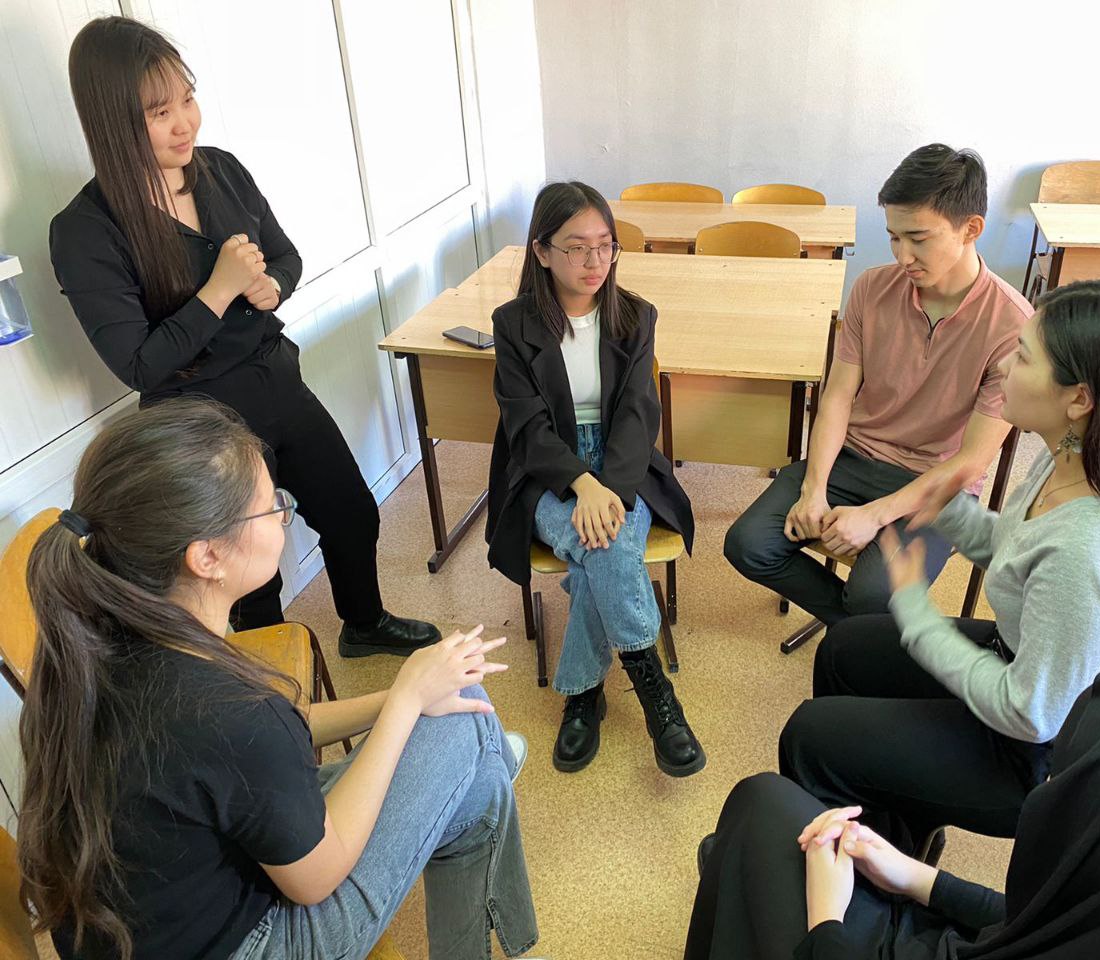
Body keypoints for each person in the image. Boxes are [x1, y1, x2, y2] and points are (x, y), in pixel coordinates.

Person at [17, 399, 540, 960]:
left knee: (471, 770)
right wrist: (409, 699)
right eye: (271, 507)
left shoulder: (109, 635)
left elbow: (271, 744)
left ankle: (476, 767)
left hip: (174, 907)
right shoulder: (223, 709)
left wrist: (400, 698)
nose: (283, 516)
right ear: (206, 557)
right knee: (466, 720)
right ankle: (479, 759)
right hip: (252, 941)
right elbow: (317, 878)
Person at [49, 16, 435, 656]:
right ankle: (268, 669)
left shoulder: (221, 171)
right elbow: (140, 363)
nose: (185, 124)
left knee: (350, 512)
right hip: (198, 423)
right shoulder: (85, 229)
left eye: (187, 100)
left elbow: (285, 256)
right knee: (249, 568)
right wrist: (219, 289)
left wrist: (272, 286)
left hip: (276, 381)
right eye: (159, 113)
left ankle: (364, 625)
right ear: (112, 122)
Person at [779, 279, 1100, 861]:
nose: (1004, 369)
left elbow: (1030, 713)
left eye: (1022, 357)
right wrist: (949, 508)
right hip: (1017, 662)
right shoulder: (1068, 455)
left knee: (810, 735)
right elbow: (1018, 550)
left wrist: (919, 617)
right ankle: (892, 832)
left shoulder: (1089, 550)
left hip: (1034, 757)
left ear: (1079, 399)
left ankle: (862, 866)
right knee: (844, 650)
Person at [685, 646, 1100, 959]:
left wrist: (826, 922)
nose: (1048, 793)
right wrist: (919, 878)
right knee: (783, 817)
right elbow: (1036, 925)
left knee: (762, 807)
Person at [724, 144, 1032, 622]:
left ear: (971, 229)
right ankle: (868, 635)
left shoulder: (1013, 326)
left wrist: (874, 515)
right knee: (747, 545)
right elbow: (837, 397)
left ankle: (865, 630)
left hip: (935, 484)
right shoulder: (872, 288)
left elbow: (970, 461)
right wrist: (814, 489)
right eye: (893, 237)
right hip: (853, 457)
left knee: (872, 597)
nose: (903, 255)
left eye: (918, 238)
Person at [485, 181, 703, 777]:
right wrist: (582, 484)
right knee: (607, 544)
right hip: (546, 472)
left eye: (606, 245)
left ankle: (583, 694)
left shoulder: (635, 314)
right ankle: (656, 691)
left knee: (599, 551)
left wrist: (608, 486)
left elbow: (637, 415)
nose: (594, 261)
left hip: (623, 464)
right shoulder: (513, 323)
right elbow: (527, 427)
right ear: (541, 251)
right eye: (577, 247)